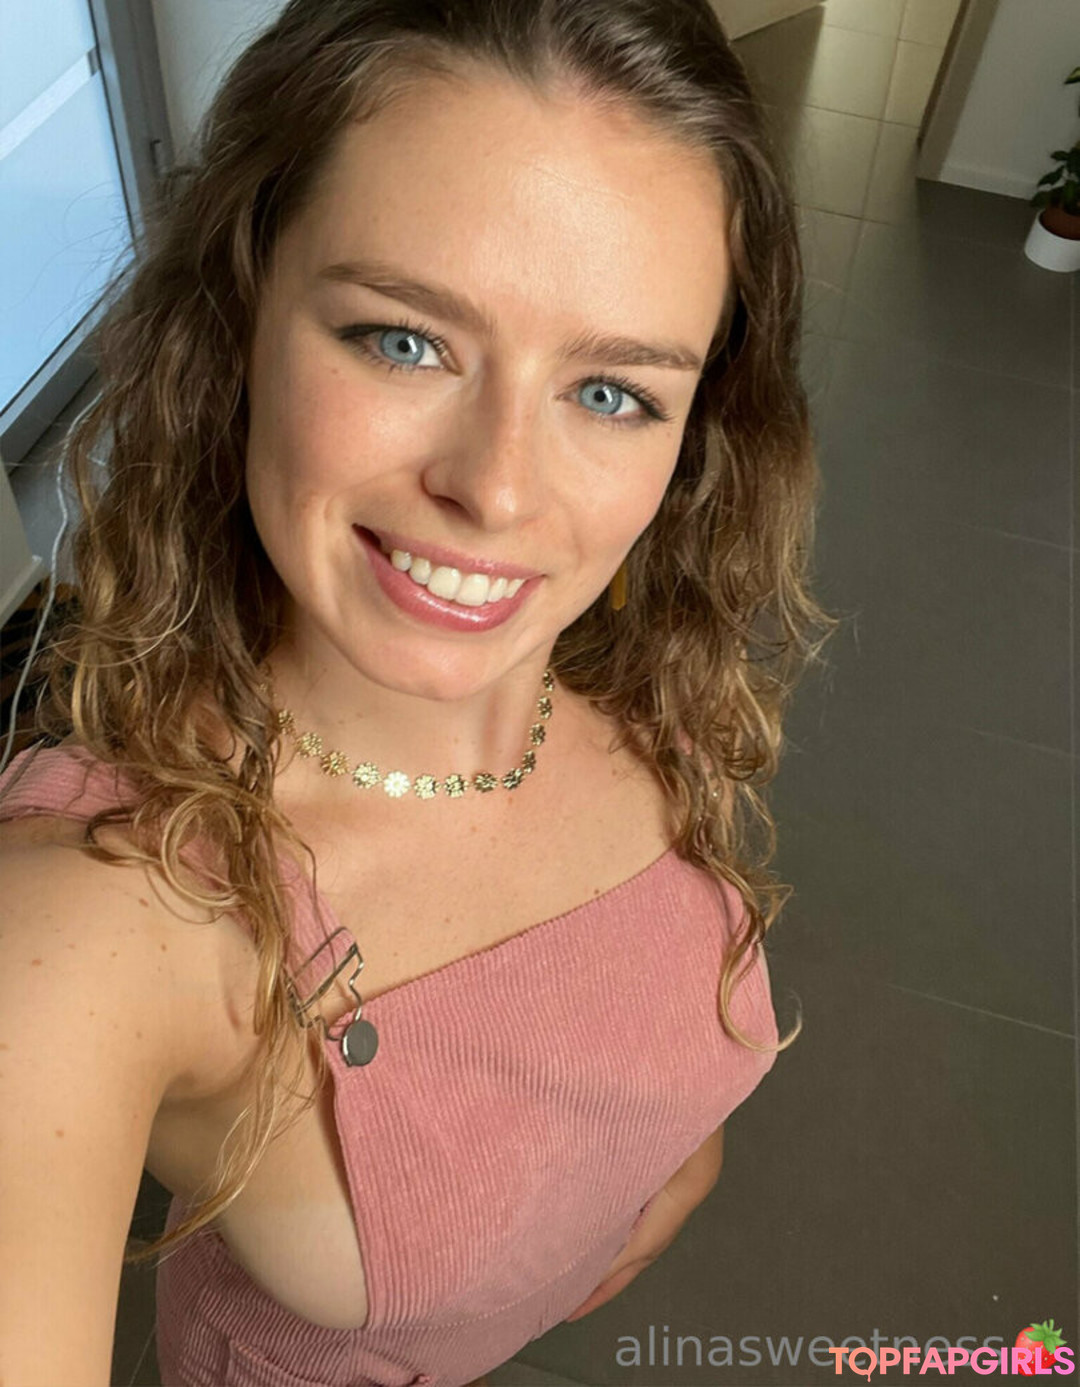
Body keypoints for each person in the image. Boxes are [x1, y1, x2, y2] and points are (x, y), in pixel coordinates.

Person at [0, 1, 836, 1384]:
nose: (497, 491)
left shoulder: (640, 672)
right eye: (403, 340)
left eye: (612, 393)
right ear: (240, 316)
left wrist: (669, 1164)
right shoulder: (93, 921)